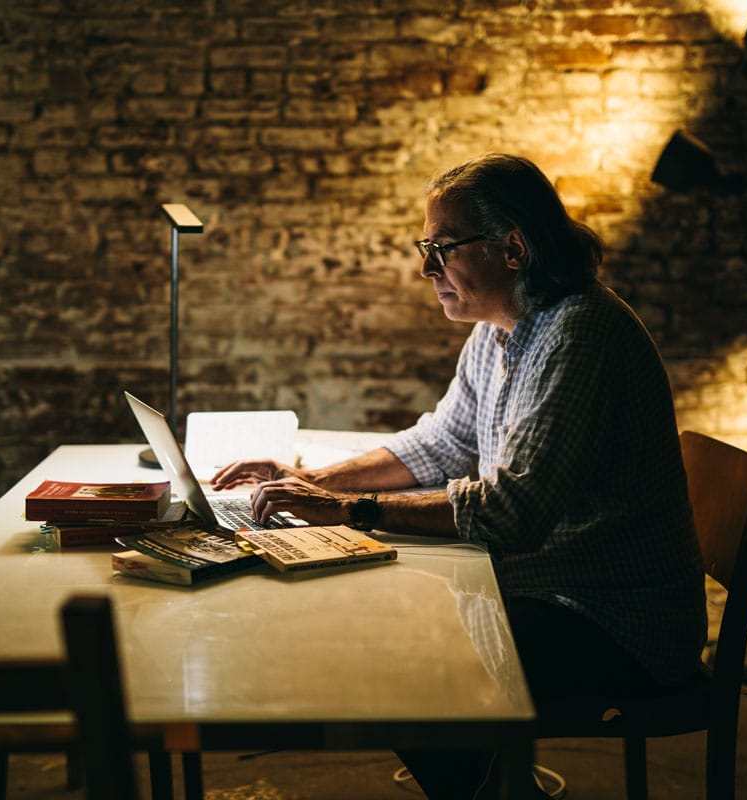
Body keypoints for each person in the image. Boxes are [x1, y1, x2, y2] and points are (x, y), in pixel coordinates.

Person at [211, 153, 707, 799]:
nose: (426, 269)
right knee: (397, 630)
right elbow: (443, 440)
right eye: (427, 247)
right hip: (556, 587)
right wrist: (320, 481)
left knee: (409, 668)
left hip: (616, 621)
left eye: (443, 247)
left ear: (513, 248)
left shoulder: (579, 334)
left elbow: (512, 513)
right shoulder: (503, 328)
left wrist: (352, 512)